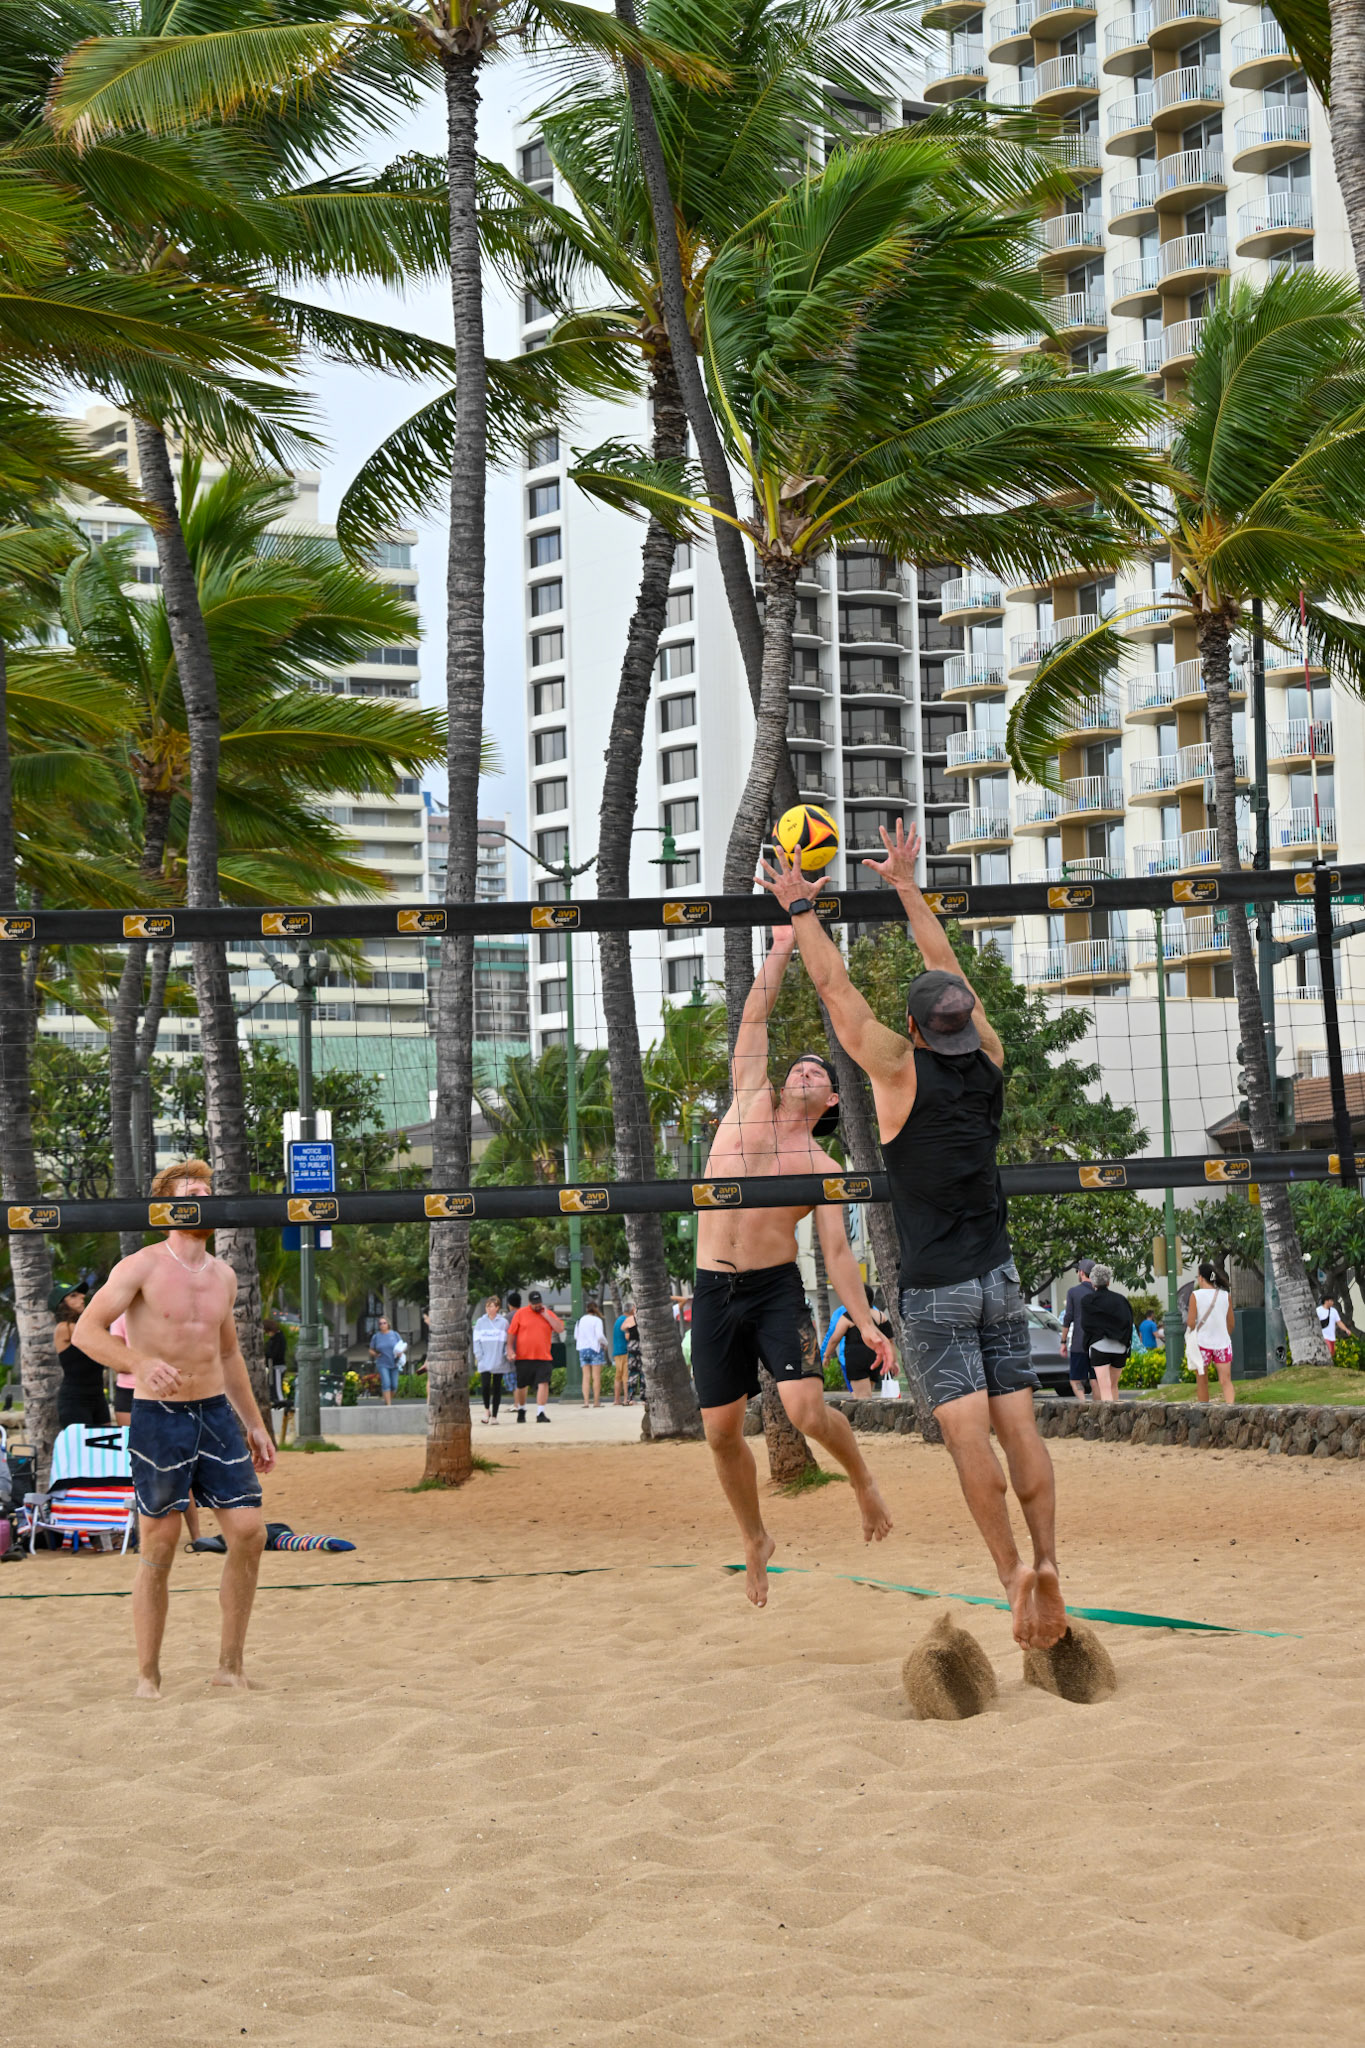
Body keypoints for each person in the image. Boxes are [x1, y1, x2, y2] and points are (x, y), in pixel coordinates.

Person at [761, 822, 1068, 1652]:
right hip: (999, 1278)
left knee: (967, 1439)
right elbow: (950, 971)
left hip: (935, 1289)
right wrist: (906, 887)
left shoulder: (898, 1069)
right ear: (963, 1023)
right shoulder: (990, 1058)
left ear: (913, 1024)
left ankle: (1011, 1576)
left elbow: (834, 990)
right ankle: (1048, 1560)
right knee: (1021, 1430)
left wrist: (800, 909)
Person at [688, 922, 895, 1606]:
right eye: (798, 1067)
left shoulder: (822, 1165)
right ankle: (754, 1538)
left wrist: (866, 1323)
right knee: (720, 1432)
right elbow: (754, 1016)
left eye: (818, 1072)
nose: (804, 1071)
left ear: (832, 1100)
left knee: (806, 1409)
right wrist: (780, 946)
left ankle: (862, 1480)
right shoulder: (747, 1099)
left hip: (775, 1290)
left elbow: (837, 1254)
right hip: (713, 1288)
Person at [72, 1158, 274, 1698]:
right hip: (159, 1418)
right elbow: (87, 1332)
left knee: (249, 1533)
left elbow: (228, 1356)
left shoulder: (224, 1275)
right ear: (167, 1209)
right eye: (191, 1195)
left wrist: (254, 1424)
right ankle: (149, 1676)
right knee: (159, 1545)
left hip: (215, 1414)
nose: (202, 1202)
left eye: (207, 1194)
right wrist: (137, 1363)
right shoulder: (140, 1266)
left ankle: (230, 1666)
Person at [51, 1283, 112, 1428]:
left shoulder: (86, 1327)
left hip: (98, 1396)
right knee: (81, 1442)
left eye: (81, 1294)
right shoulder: (64, 1328)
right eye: (73, 1296)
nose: (82, 1297)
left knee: (107, 1441)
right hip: (75, 1400)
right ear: (62, 1305)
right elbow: (99, 1338)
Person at [824, 1287, 898, 1398]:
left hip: (856, 1359)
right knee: (867, 1394)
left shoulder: (848, 1317)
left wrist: (827, 1355)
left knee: (863, 1397)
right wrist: (893, 1361)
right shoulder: (881, 1316)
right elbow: (890, 1341)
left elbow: (834, 1339)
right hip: (875, 1358)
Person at [1076, 1265, 1133, 1403]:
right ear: (1108, 1281)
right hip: (1119, 1346)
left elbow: (1086, 1325)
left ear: (1093, 1282)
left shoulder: (1087, 1301)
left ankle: (1109, 1416)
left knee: (1105, 1387)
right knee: (1113, 1386)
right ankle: (1117, 1413)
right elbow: (1128, 1322)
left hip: (1099, 1345)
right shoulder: (1121, 1300)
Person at [506, 1289, 563, 1424]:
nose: (537, 1305)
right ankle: (521, 1409)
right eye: (534, 1303)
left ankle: (540, 1412)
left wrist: (547, 1316)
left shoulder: (547, 1313)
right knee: (522, 1385)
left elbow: (560, 1328)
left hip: (543, 1356)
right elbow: (511, 1333)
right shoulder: (521, 1313)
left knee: (543, 1383)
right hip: (524, 1356)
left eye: (539, 1303)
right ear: (529, 1302)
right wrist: (509, 1349)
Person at [1187, 1262, 1236, 1404]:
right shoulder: (1225, 1296)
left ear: (1201, 1278)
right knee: (1226, 1380)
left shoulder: (1195, 1295)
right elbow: (1231, 1323)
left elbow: (1190, 1323)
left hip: (1202, 1343)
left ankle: (1204, 1409)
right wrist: (1223, 1333)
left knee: (1202, 1381)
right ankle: (1231, 1407)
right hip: (1223, 1343)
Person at [1060, 1260, 1096, 1403]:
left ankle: (1084, 1403)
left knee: (1075, 1379)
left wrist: (1063, 1342)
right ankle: (1099, 1407)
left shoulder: (1073, 1292)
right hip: (1098, 1344)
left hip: (1079, 1343)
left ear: (1081, 1272)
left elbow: (1068, 1318)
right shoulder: (1098, 1291)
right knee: (1095, 1379)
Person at [472, 1296, 509, 1424]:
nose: (488, 1308)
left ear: (497, 1308)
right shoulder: (480, 1322)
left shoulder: (503, 1323)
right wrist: (479, 1356)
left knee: (497, 1387)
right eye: (487, 1306)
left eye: (491, 1306)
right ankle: (487, 1410)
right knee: (485, 1385)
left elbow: (507, 1341)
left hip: (499, 1358)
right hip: (484, 1359)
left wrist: (505, 1354)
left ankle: (495, 1416)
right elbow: (476, 1340)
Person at [575, 1299, 608, 1408]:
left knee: (586, 1377)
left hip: (582, 1349)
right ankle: (596, 1402)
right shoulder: (597, 1320)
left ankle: (586, 1402)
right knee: (596, 1377)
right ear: (596, 1309)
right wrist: (605, 1343)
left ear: (586, 1309)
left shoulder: (580, 1320)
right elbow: (599, 1336)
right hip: (595, 1348)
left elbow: (576, 1336)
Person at [368, 1316, 403, 1407]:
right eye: (380, 1323)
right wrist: (376, 1354)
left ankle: (387, 1400)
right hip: (382, 1363)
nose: (382, 1325)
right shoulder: (376, 1337)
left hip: (394, 1363)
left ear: (388, 1324)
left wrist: (400, 1353)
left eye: (384, 1323)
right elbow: (371, 1349)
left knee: (394, 1386)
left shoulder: (394, 1334)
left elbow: (402, 1346)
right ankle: (389, 1405)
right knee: (386, 1383)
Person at [1317, 1295, 1356, 1360]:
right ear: (1326, 1301)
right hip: (1323, 1336)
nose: (1333, 1302)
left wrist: (1346, 1330)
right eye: (1331, 1301)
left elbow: (1339, 1322)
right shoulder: (1318, 1310)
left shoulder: (1333, 1311)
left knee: (1332, 1352)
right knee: (1328, 1350)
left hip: (1332, 1336)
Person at [611, 1300, 634, 1406]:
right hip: (625, 1351)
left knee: (618, 1376)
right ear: (631, 1310)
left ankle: (616, 1400)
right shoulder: (627, 1320)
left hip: (617, 1351)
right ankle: (626, 1399)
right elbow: (628, 1336)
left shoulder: (618, 1320)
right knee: (626, 1376)